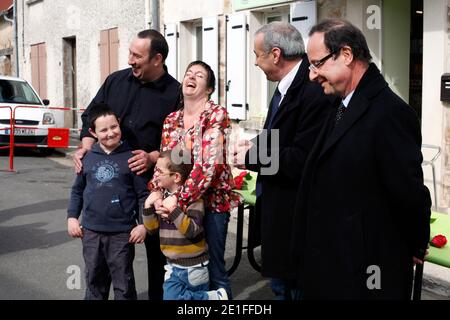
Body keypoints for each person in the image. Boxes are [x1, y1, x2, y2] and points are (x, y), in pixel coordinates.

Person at [290, 19, 431, 299]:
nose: (312, 75)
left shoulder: (390, 113)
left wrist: (415, 243)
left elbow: (408, 193)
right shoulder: (338, 104)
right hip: (330, 266)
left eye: (317, 64)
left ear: (346, 55)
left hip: (364, 274)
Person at [73, 29, 180, 300]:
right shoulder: (115, 81)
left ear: (157, 59)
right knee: (107, 258)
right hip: (109, 183)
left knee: (157, 254)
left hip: (152, 185)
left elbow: (181, 147)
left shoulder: (174, 93)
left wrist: (153, 157)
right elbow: (91, 118)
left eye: (137, 56)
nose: (130, 60)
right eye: (130, 53)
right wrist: (86, 145)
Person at [232, 22, 331, 299]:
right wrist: (250, 145)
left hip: (297, 219)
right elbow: (278, 136)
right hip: (279, 216)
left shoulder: (312, 91)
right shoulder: (285, 85)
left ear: (275, 54)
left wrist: (251, 156)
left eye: (257, 54)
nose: (255, 63)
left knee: (294, 289)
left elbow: (302, 158)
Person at [147, 60, 241, 299]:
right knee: (181, 270)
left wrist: (177, 200)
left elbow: (207, 166)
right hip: (177, 207)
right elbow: (164, 164)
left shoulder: (215, 114)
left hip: (210, 204)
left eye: (199, 75)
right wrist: (157, 191)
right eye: (189, 73)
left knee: (215, 271)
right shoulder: (171, 120)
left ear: (209, 88)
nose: (191, 77)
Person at [67, 103, 149, 300]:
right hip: (91, 232)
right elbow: (77, 191)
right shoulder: (87, 158)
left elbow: (143, 196)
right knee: (95, 282)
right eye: (103, 130)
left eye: (114, 127)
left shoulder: (132, 158)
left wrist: (143, 225)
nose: (110, 133)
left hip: (122, 234)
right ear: (93, 132)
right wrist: (71, 218)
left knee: (124, 284)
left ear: (119, 124)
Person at [143, 150, 228, 300]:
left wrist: (174, 210)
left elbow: (192, 231)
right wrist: (148, 206)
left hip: (193, 267)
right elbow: (152, 230)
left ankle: (214, 298)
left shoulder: (193, 201)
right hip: (171, 265)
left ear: (176, 177)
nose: (155, 174)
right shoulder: (162, 196)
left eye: (159, 171)